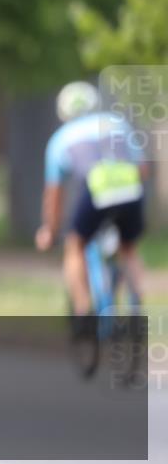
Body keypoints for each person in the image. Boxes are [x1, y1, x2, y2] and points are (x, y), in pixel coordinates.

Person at [35, 81, 148, 338]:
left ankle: (83, 311)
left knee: (75, 246)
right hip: (130, 189)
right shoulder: (117, 123)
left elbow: (54, 195)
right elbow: (143, 169)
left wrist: (50, 230)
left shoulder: (59, 140)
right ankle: (136, 304)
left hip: (96, 192)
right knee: (128, 249)